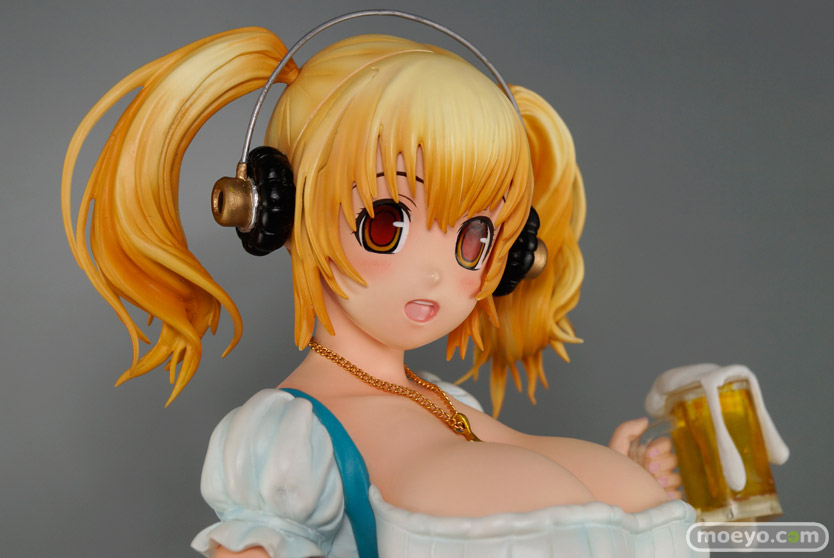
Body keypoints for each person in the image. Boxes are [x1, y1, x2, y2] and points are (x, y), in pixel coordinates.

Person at [62, 22, 694, 558]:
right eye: (388, 223)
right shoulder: (292, 437)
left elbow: (546, 485)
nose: (437, 273)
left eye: (473, 239)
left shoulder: (442, 401)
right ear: (278, 211)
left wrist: (624, 482)